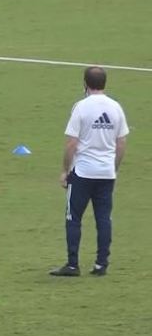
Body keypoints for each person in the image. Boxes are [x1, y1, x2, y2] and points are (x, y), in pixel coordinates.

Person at [50, 67, 129, 277]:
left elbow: (71, 144)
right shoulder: (116, 107)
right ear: (105, 83)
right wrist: (114, 168)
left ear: (85, 83)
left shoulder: (81, 107)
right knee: (104, 218)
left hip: (83, 172)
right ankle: (101, 264)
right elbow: (121, 143)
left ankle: (73, 265)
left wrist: (64, 170)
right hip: (106, 173)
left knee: (73, 217)